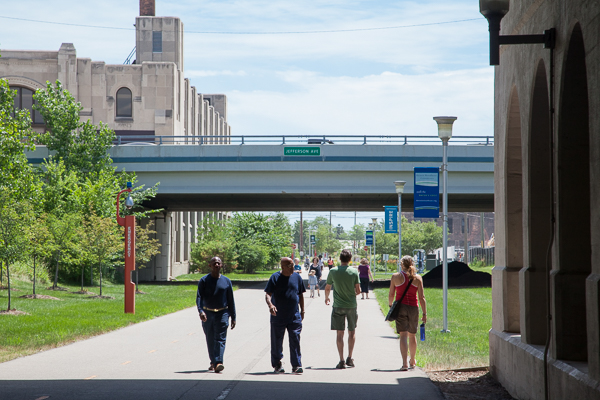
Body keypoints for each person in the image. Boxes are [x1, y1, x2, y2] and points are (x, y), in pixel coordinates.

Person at [265, 257, 306, 374]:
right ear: (282, 267)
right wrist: (270, 305)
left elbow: (301, 295)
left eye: (292, 265)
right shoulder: (275, 277)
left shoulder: (297, 277)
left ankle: (296, 365)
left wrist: (302, 310)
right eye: (289, 266)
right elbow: (268, 294)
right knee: (277, 341)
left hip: (294, 315)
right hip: (278, 315)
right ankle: (277, 363)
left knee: (295, 339)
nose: (292, 267)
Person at [196, 257, 236, 373]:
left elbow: (231, 300)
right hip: (208, 313)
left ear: (222, 265)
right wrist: (201, 311)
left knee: (220, 338)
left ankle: (218, 362)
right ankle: (213, 361)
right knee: (210, 338)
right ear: (210, 266)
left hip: (222, 313)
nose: (217, 265)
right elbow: (199, 298)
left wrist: (233, 316)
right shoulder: (204, 280)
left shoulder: (226, 281)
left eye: (219, 263)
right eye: (214, 263)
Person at [388, 255, 427, 371]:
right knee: (412, 335)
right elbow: (422, 297)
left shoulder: (395, 277)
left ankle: (404, 363)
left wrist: (391, 306)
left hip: (400, 308)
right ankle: (412, 360)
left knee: (403, 335)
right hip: (413, 308)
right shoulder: (418, 278)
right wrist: (424, 314)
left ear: (401, 265)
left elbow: (391, 294)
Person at [325, 249, 360, 369]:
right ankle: (350, 358)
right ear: (350, 259)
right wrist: (350, 295)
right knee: (352, 332)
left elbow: (328, 287)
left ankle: (341, 360)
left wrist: (327, 298)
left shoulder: (333, 271)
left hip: (338, 306)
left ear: (340, 259)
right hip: (351, 306)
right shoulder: (354, 272)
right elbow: (358, 290)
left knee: (339, 333)